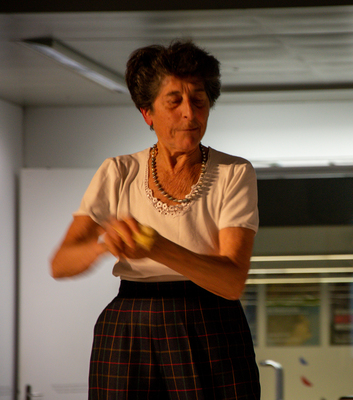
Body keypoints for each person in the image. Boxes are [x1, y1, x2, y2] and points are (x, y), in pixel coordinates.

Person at [51, 40, 261, 400]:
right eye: (174, 101)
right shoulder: (118, 171)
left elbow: (231, 283)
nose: (189, 114)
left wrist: (155, 247)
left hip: (209, 321)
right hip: (129, 324)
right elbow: (60, 263)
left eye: (199, 101)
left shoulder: (233, 172)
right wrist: (105, 246)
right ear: (147, 113)